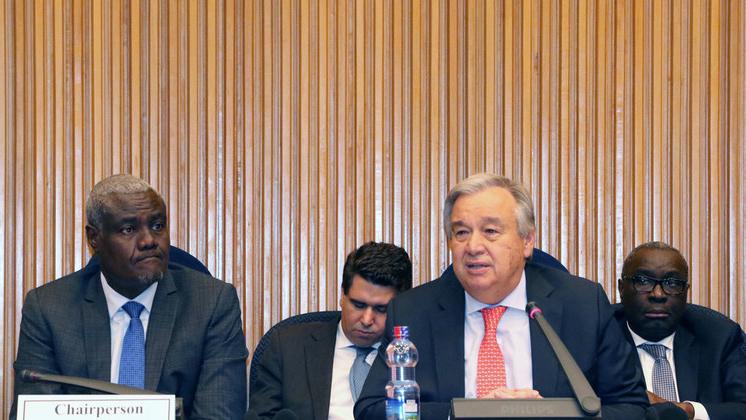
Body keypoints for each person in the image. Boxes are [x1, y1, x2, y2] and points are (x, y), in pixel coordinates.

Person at [354, 173, 649, 420]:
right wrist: (463, 414)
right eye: (461, 233)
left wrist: (551, 415)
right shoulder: (414, 312)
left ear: (527, 241)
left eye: (490, 231)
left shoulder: (582, 305)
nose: (473, 246)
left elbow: (632, 408)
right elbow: (372, 410)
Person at [11, 174, 249, 420]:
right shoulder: (49, 309)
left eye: (157, 226)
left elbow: (219, 414)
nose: (149, 240)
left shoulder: (211, 304)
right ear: (94, 238)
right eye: (129, 229)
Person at [249, 242, 412, 419]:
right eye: (358, 305)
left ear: (400, 306)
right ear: (342, 295)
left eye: (381, 309)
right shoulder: (287, 348)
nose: (366, 320)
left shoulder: (416, 355)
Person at [615, 241, 746, 420]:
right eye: (643, 281)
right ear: (622, 289)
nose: (658, 294)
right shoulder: (598, 335)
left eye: (672, 283)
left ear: (686, 291)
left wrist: (688, 411)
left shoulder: (720, 336)